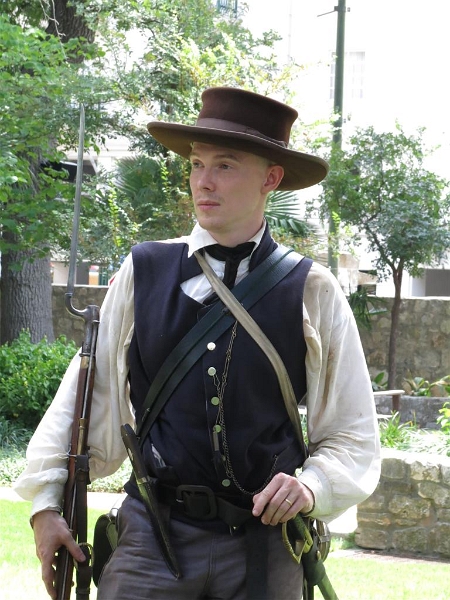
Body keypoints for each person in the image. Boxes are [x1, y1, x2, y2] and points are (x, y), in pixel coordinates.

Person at [14, 87, 381, 600]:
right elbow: (86, 395)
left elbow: (351, 433)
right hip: (152, 535)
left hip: (265, 543)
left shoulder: (312, 289)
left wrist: (311, 485)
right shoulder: (143, 270)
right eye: (196, 164)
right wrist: (46, 506)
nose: (203, 182)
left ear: (270, 179)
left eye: (225, 166)